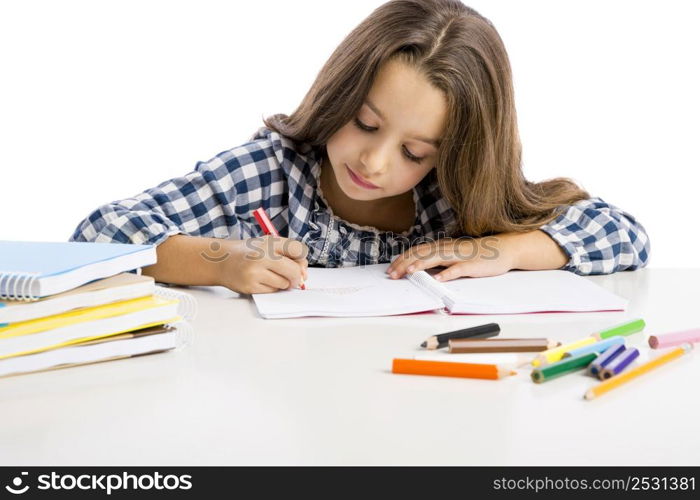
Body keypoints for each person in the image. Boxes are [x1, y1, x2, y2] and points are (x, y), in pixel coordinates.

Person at [70, 0, 650, 294]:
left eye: (416, 152)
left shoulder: (455, 200)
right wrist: (224, 264)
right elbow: (96, 238)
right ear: (339, 94)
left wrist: (506, 251)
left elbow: (624, 234)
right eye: (366, 124)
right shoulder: (269, 174)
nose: (374, 162)